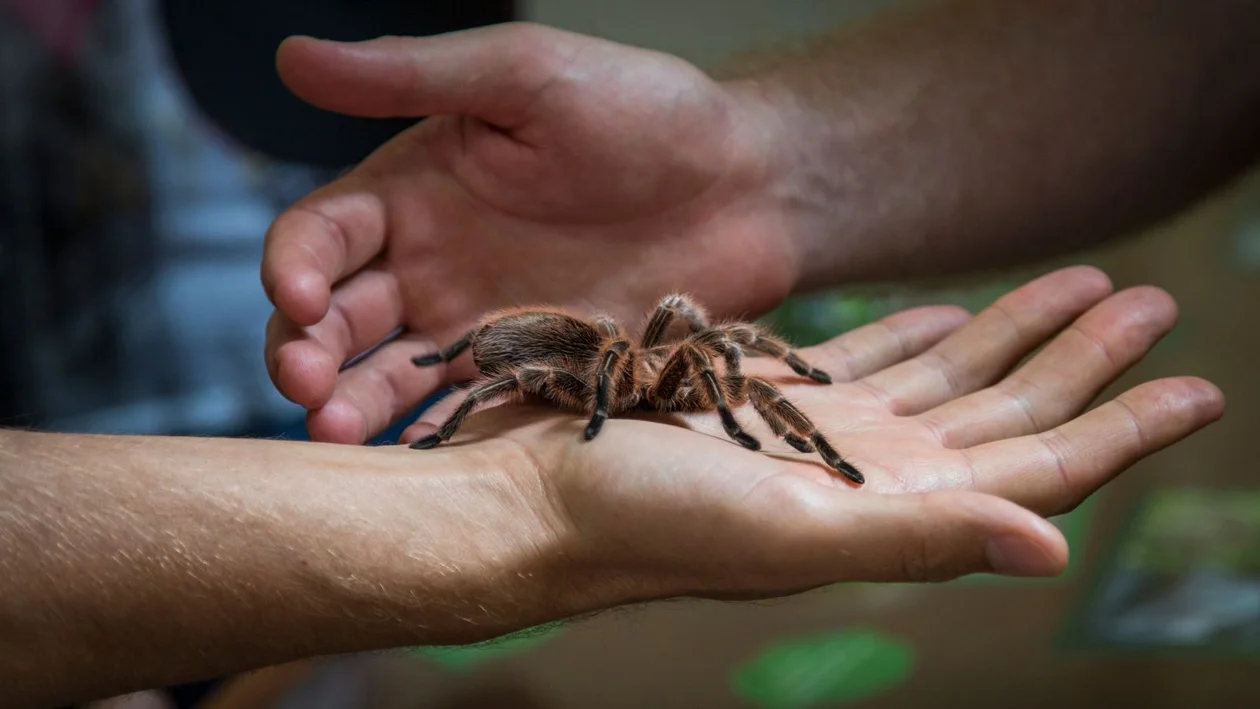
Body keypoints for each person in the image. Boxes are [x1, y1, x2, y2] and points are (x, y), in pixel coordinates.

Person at [2, 0, 1252, 705]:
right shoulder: (560, 367)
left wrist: (768, 206)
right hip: (531, 368)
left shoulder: (668, 343)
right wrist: (518, 473)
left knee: (704, 348)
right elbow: (509, 372)